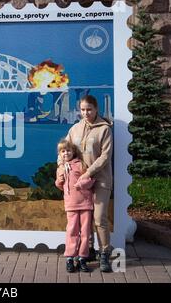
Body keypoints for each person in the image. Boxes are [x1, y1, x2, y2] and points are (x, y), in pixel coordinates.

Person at [60, 94, 113, 273]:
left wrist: (88, 173)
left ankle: (104, 253)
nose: (86, 113)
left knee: (99, 218)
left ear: (96, 109)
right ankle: (87, 250)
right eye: (82, 110)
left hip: (100, 180)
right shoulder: (75, 129)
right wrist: (61, 167)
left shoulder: (105, 129)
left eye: (89, 109)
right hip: (80, 184)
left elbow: (105, 156)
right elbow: (64, 150)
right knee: (85, 220)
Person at [55, 140, 95, 273]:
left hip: (85, 203)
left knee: (85, 232)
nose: (66, 153)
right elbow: (60, 185)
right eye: (63, 151)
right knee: (72, 231)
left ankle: (82, 258)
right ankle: (70, 258)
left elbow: (90, 179)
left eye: (68, 150)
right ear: (60, 154)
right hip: (71, 204)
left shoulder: (80, 164)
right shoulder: (61, 167)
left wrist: (81, 184)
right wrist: (60, 179)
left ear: (73, 152)